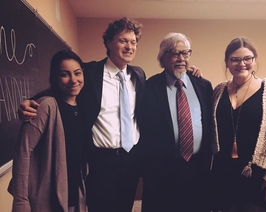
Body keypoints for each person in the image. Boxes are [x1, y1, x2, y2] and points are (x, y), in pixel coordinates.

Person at [17, 17, 202, 212]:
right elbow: (65, 86)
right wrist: (31, 101)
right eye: (123, 41)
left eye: (133, 42)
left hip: (132, 159)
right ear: (108, 43)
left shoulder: (138, 76)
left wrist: (191, 72)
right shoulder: (90, 72)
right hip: (101, 162)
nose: (129, 46)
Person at [211, 37, 266, 212]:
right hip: (224, 172)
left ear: (254, 60)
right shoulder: (219, 90)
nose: (242, 64)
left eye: (248, 58)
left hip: (258, 175)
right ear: (227, 62)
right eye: (235, 59)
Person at [140, 32, 213, 212]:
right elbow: (143, 128)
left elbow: (210, 124)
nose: (181, 58)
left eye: (185, 53)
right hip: (163, 170)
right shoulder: (149, 87)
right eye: (174, 53)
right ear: (162, 58)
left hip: (198, 167)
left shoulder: (203, 85)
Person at [8, 50, 87, 212]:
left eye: (77, 73)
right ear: (55, 77)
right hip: (46, 197)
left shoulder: (83, 107)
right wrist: (21, 200)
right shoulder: (45, 106)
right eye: (65, 74)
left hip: (73, 193)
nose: (73, 80)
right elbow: (23, 152)